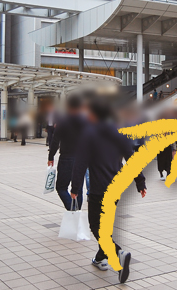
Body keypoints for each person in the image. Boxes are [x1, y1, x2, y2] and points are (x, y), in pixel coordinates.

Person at [71, 98, 146, 284]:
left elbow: (80, 164)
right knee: (105, 226)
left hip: (98, 189)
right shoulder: (119, 134)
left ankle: (119, 253)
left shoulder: (88, 134)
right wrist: (141, 182)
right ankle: (99, 259)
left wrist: (74, 188)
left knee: (95, 227)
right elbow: (132, 159)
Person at [48, 95, 86, 210]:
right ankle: (77, 212)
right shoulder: (85, 121)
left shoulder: (63, 122)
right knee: (78, 188)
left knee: (61, 187)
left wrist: (51, 157)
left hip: (66, 158)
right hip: (81, 159)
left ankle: (72, 210)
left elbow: (55, 141)